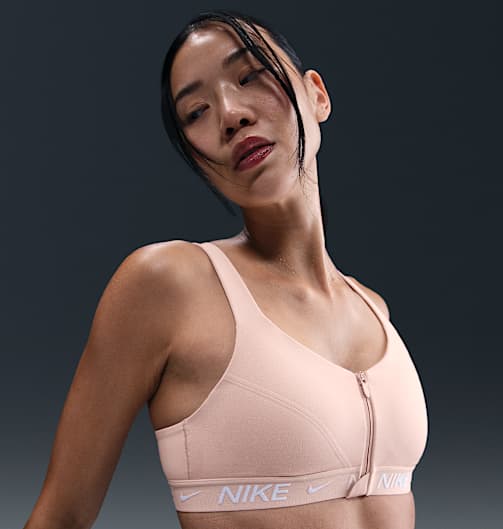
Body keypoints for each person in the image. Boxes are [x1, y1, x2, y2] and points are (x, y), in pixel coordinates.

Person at [23, 9, 428, 529]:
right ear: (196, 159)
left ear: (317, 96)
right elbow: (60, 516)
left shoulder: (373, 308)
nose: (231, 115)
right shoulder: (169, 285)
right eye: (196, 112)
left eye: (250, 76)